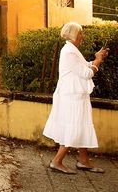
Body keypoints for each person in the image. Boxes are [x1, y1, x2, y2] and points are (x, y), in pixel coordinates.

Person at [43, 22, 109, 174]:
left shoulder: (72, 50)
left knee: (81, 125)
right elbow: (87, 73)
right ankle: (57, 161)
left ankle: (84, 161)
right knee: (74, 126)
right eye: (80, 34)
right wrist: (97, 62)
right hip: (72, 96)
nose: (82, 36)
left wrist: (97, 58)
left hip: (76, 95)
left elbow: (85, 66)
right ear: (73, 35)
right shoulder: (69, 52)